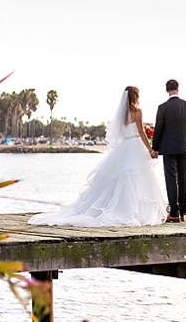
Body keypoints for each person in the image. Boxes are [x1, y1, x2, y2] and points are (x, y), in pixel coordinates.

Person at [28, 86, 166, 227]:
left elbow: (119, 133)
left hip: (124, 146)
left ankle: (119, 207)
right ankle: (136, 210)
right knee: (138, 178)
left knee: (121, 178)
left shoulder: (122, 114)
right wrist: (150, 148)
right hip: (135, 146)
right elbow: (141, 132)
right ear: (135, 96)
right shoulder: (137, 112)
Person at [151, 79, 186, 223]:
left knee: (171, 179)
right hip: (184, 148)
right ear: (178, 88)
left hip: (168, 148)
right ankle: (183, 210)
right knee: (183, 179)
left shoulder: (163, 108)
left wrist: (155, 148)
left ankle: (174, 212)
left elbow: (158, 129)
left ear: (166, 90)